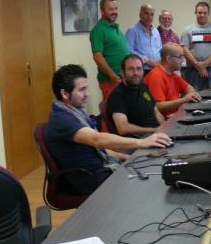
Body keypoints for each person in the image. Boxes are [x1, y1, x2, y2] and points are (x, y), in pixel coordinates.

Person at [46, 64, 172, 195]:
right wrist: (141, 143)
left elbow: (101, 150)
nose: (87, 94)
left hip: (102, 169)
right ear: (65, 93)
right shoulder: (62, 119)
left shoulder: (73, 112)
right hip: (93, 179)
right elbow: (97, 140)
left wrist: (128, 157)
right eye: (82, 90)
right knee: (153, 185)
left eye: (87, 89)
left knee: (150, 166)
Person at [107, 54, 164, 136]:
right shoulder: (117, 96)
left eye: (139, 68)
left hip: (157, 134)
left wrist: (165, 127)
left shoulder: (143, 86)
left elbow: (156, 112)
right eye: (131, 69)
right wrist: (154, 130)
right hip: (140, 140)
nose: (136, 73)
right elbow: (123, 128)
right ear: (122, 72)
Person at [144, 43, 202, 116]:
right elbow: (158, 106)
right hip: (165, 122)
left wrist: (188, 97)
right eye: (180, 57)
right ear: (168, 59)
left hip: (174, 116)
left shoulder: (171, 74)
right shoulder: (156, 76)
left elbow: (190, 89)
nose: (182, 61)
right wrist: (183, 100)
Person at [90, 0, 130, 100]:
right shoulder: (98, 30)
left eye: (116, 8)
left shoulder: (116, 28)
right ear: (102, 11)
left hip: (123, 79)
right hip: (111, 80)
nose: (114, 12)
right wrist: (112, 75)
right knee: (112, 112)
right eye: (111, 9)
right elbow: (97, 57)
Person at [180, 1, 211, 90]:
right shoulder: (187, 30)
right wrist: (198, 66)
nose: (202, 15)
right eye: (199, 12)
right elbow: (185, 50)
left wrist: (204, 64)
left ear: (208, 14)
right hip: (193, 70)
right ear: (195, 13)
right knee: (194, 98)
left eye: (205, 13)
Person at [125, 4, 162, 73]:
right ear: (140, 15)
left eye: (152, 14)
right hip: (141, 70)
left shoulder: (156, 31)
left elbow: (159, 48)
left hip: (157, 69)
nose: (149, 17)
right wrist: (147, 61)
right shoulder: (132, 31)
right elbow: (128, 51)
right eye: (146, 13)